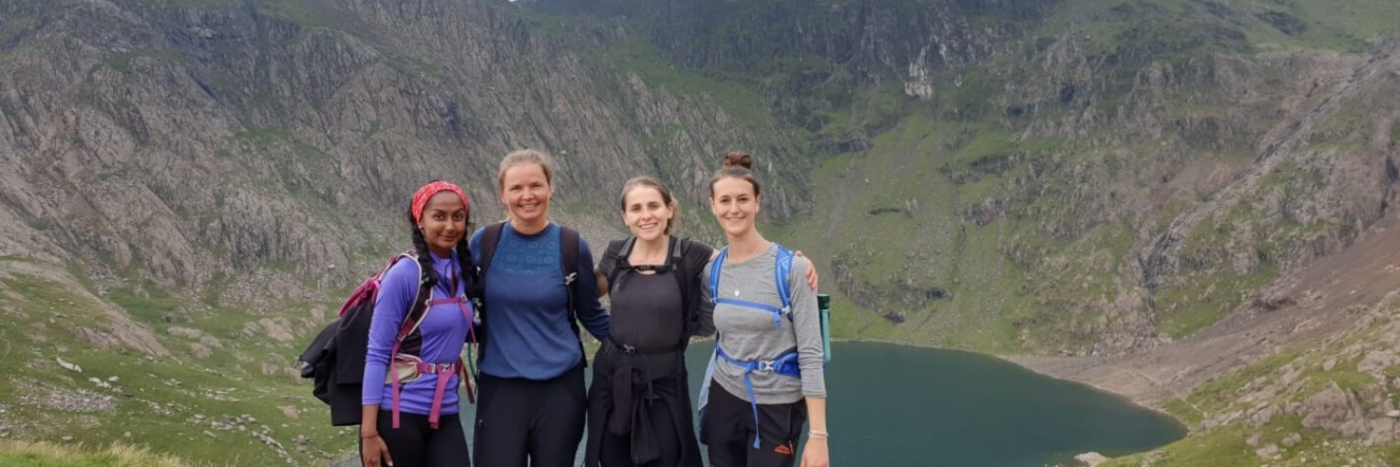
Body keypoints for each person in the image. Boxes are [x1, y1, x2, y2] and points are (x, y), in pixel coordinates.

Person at [585, 176, 820, 467]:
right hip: (614, 377)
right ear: (625, 215)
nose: (645, 215)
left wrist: (794, 262)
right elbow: (583, 294)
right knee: (610, 457)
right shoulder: (616, 253)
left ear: (670, 209)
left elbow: (740, 261)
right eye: (636, 208)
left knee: (672, 457)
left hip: (664, 380)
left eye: (653, 206)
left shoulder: (690, 253)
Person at [470, 149, 611, 467]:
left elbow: (590, 313)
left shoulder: (572, 246)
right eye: (516, 188)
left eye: (535, 185)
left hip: (561, 390)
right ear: (502, 195)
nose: (527, 195)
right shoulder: (485, 243)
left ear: (551, 188)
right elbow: (458, 306)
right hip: (500, 388)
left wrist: (642, 349)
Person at [700, 152, 830, 467]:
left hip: (777, 406)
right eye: (725, 200)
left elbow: (811, 354)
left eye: (743, 199)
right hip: (723, 398)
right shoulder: (712, 271)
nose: (734, 209)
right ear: (712, 205)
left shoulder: (792, 269)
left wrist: (818, 436)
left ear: (758, 202)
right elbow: (700, 324)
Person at [361, 181, 479, 467]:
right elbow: (377, 354)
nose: (450, 226)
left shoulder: (465, 272)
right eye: (439, 216)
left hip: (447, 411)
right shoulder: (403, 274)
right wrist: (369, 433)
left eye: (458, 217)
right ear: (420, 221)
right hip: (398, 414)